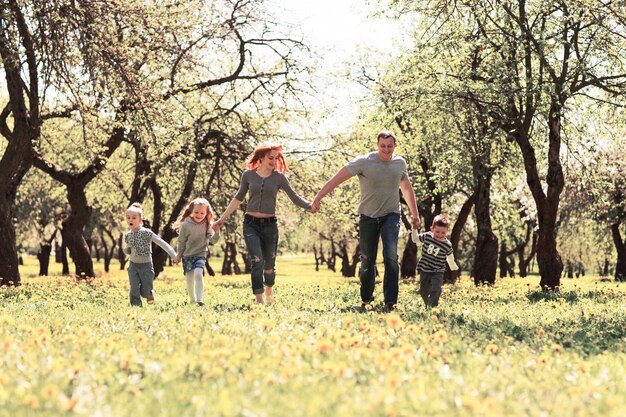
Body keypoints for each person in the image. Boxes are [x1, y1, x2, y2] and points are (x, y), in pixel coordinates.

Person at [312, 130, 420, 310]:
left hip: (391, 215)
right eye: (383, 146)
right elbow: (337, 179)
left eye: (390, 146)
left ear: (395, 146)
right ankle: (366, 300)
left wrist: (414, 214)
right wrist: (318, 197)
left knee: (391, 256)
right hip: (367, 217)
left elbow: (407, 189)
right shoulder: (364, 162)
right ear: (377, 145)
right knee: (367, 260)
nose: (386, 149)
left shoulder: (399, 163)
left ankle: (391, 302)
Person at [213, 143, 317, 304]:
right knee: (257, 260)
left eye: (276, 158)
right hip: (250, 224)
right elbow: (238, 198)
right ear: (261, 158)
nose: (274, 161)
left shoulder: (279, 178)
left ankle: (269, 287)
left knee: (269, 266)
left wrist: (309, 206)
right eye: (271, 158)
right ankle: (259, 299)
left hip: (270, 226)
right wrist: (222, 219)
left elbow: (294, 196)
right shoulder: (248, 175)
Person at [123, 203, 177, 307]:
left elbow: (161, 242)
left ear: (140, 219)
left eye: (134, 218)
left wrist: (173, 254)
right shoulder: (127, 235)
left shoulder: (146, 233)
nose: (130, 220)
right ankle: (136, 306)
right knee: (134, 286)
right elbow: (127, 250)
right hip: (133, 264)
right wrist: (125, 249)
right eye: (128, 217)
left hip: (146, 265)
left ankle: (148, 293)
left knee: (147, 286)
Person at [172, 198, 220, 306]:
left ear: (207, 213)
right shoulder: (185, 225)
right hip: (187, 255)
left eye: (202, 213)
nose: (199, 215)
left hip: (200, 254)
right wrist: (178, 255)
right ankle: (192, 300)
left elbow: (212, 240)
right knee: (189, 279)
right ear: (191, 212)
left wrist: (216, 233)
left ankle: (200, 300)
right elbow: (181, 242)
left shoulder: (208, 225)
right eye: (196, 212)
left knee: (198, 273)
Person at [412, 214, 459, 307]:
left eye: (443, 233)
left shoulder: (447, 245)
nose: (440, 235)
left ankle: (433, 306)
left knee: (436, 286)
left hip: (438, 270)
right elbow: (415, 239)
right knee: (423, 290)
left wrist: (453, 266)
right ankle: (428, 304)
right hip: (425, 268)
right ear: (432, 229)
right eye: (437, 232)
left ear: (447, 232)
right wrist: (414, 228)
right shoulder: (427, 236)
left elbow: (450, 257)